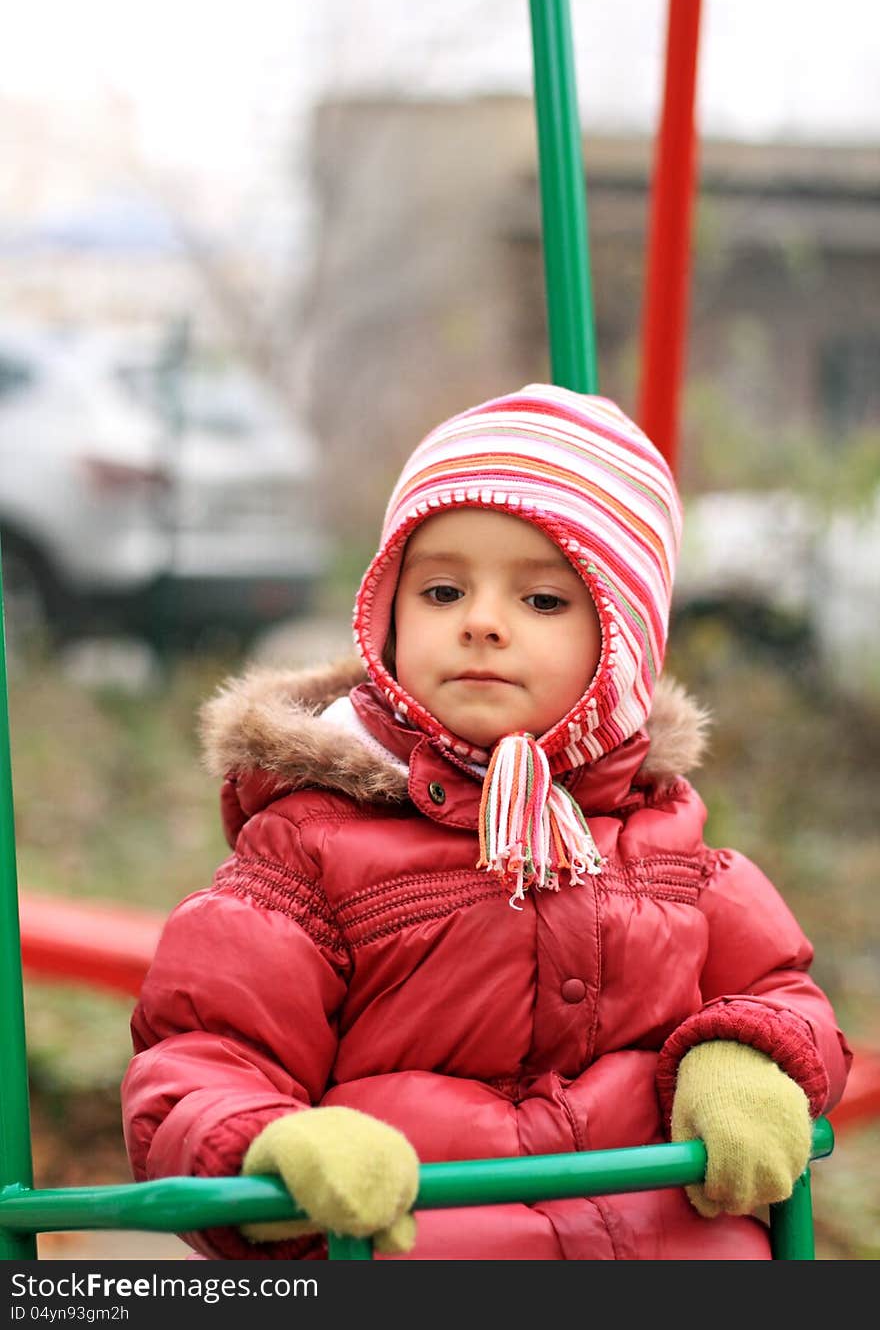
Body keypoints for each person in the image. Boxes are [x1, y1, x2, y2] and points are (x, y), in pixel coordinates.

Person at [122, 383, 852, 1260]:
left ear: (622, 644)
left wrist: (746, 1055)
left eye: (542, 601)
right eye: (439, 590)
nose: (480, 624)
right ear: (386, 612)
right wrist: (264, 1151)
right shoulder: (312, 848)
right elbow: (207, 1047)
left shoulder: (672, 849)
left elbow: (783, 991)